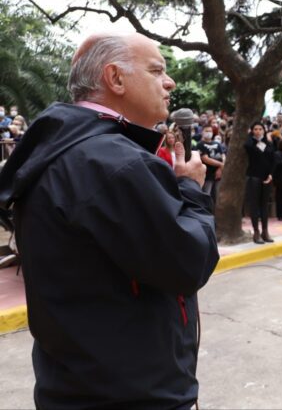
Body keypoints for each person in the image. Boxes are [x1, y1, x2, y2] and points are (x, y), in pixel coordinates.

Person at [0, 33, 219, 409]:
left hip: (77, 385)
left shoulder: (66, 150)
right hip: (132, 394)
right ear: (115, 79)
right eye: (157, 70)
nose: (170, 82)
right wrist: (191, 189)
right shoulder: (113, 163)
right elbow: (188, 262)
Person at [244, 121, 275, 244]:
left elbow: (273, 160)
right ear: (252, 131)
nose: (258, 131)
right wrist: (250, 137)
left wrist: (271, 175)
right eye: (255, 129)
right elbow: (248, 147)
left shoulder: (269, 143)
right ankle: (256, 232)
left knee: (264, 205)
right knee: (254, 205)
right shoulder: (250, 143)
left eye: (260, 129)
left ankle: (265, 231)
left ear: (264, 130)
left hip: (267, 177)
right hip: (253, 177)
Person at [198, 127, 226, 205]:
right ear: (202, 132)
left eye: (210, 131)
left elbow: (223, 156)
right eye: (206, 131)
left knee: (217, 195)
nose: (209, 132)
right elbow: (205, 159)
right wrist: (221, 165)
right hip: (207, 174)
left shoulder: (217, 144)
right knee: (207, 194)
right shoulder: (200, 144)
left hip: (219, 174)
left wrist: (220, 168)